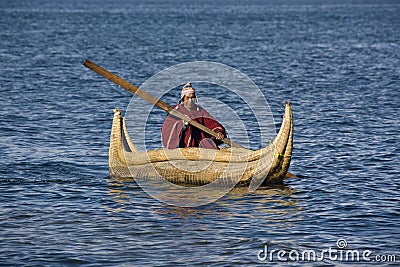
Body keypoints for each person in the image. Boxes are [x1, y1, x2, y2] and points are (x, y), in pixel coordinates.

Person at [162, 82, 226, 149]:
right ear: (183, 99)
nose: (190, 100)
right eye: (187, 98)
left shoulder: (200, 111)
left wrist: (219, 133)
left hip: (198, 145)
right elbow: (167, 128)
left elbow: (212, 123)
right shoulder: (175, 111)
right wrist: (182, 125)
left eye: (192, 98)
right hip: (181, 146)